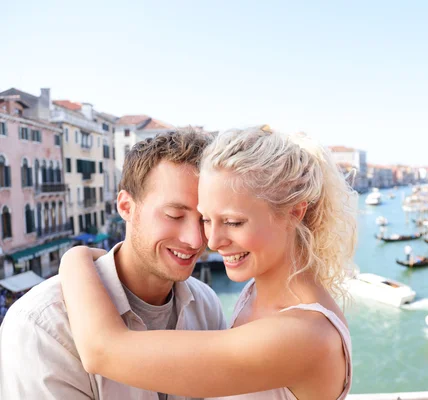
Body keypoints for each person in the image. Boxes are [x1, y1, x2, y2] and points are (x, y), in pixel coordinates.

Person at [59, 126, 357, 399]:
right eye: (207, 219)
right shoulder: (257, 293)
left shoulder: (303, 335)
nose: (211, 242)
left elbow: (102, 351)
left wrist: (76, 257)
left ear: (295, 211)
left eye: (233, 222)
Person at [0, 130, 226, 400]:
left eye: (205, 219)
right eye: (174, 215)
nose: (196, 240)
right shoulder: (43, 326)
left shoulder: (207, 305)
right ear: (126, 207)